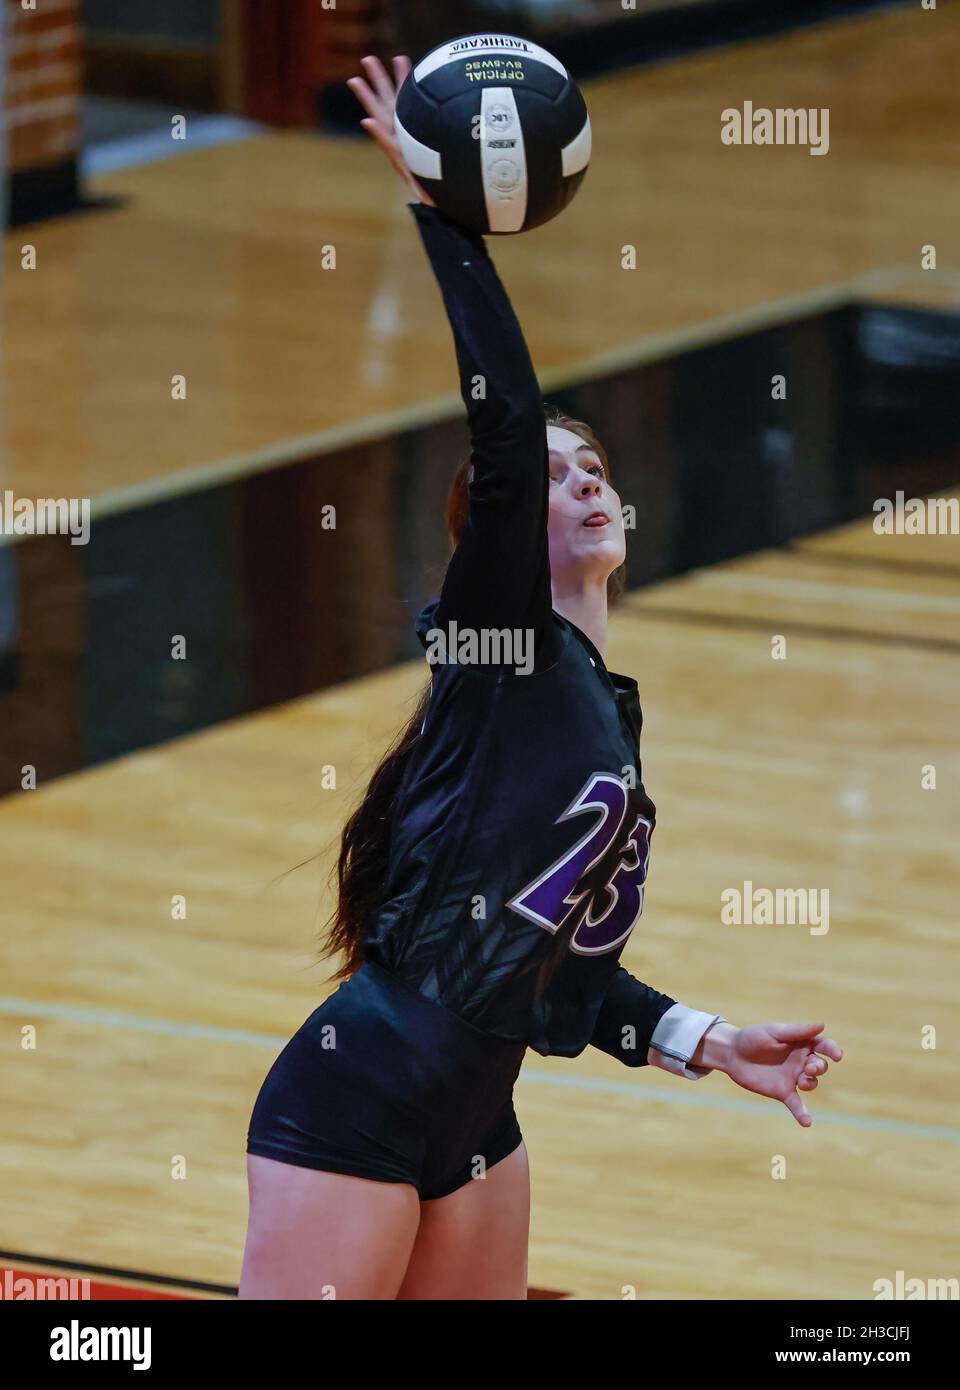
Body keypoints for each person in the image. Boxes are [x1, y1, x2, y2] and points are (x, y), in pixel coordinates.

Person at [239, 55, 843, 1301]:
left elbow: (557, 967)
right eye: (554, 475)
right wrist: (437, 214)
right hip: (355, 1094)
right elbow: (504, 426)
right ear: (493, 541)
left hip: (480, 1122)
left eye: (595, 469)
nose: (578, 480)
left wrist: (710, 1040)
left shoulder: (598, 706)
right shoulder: (495, 648)